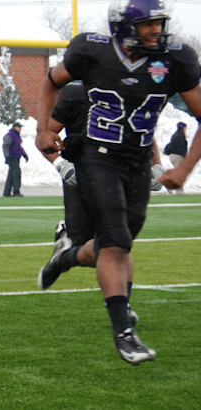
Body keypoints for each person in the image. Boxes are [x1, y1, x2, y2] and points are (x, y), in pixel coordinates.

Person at [35, 0, 201, 365]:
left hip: (138, 162)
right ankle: (123, 332)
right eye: (148, 26)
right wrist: (43, 129)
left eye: (159, 24)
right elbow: (50, 81)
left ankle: (66, 257)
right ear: (124, 27)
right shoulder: (91, 51)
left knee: (119, 246)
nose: (157, 32)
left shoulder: (175, 61)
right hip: (97, 156)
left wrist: (184, 168)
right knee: (115, 241)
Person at [36, 81, 143, 328]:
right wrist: (60, 164)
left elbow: (144, 132)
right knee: (92, 250)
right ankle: (64, 256)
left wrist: (154, 163)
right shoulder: (76, 93)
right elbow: (45, 136)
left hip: (117, 176)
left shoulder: (132, 89)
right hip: (82, 177)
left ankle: (123, 305)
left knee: (118, 245)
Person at [2, 122, 28, 197]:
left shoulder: (16, 136)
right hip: (11, 157)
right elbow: (5, 146)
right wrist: (6, 156)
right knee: (16, 174)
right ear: (15, 127)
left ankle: (7, 192)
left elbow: (19, 147)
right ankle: (16, 191)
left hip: (16, 157)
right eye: (19, 127)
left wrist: (24, 154)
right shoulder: (10, 135)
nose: (20, 129)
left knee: (11, 175)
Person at [163, 122, 188, 193]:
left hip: (174, 156)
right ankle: (179, 191)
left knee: (177, 173)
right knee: (179, 174)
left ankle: (168, 185)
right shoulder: (179, 136)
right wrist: (185, 157)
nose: (186, 129)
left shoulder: (176, 135)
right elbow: (181, 148)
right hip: (177, 156)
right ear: (183, 128)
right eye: (185, 127)